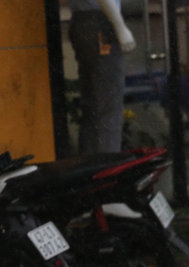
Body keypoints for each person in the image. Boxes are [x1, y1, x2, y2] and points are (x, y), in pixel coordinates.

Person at [68, 0, 136, 154]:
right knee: (108, 110)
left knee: (93, 109)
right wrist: (120, 27)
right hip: (101, 21)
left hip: (84, 20)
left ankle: (90, 164)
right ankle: (107, 165)